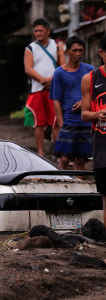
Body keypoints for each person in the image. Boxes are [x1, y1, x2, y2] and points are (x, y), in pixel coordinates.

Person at [50, 36, 94, 171]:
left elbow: (97, 92)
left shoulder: (89, 70)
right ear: (67, 52)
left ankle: (80, 187)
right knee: (63, 158)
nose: (78, 54)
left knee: (81, 159)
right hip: (68, 120)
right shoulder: (59, 73)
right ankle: (61, 186)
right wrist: (61, 122)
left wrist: (84, 102)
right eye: (74, 50)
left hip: (85, 121)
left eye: (81, 50)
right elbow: (55, 99)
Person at [24, 18, 65, 156]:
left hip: (54, 89)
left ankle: (57, 152)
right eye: (36, 31)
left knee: (56, 121)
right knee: (38, 123)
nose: (38, 33)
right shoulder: (30, 48)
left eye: (41, 30)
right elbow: (28, 69)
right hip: (37, 89)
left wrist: (52, 80)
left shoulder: (58, 45)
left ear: (48, 31)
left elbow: (63, 67)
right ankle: (40, 153)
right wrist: (43, 80)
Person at [81, 34, 106, 226]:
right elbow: (84, 114)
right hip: (102, 146)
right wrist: (99, 115)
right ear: (101, 53)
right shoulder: (90, 78)